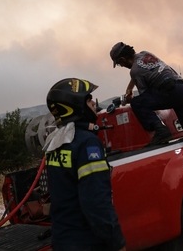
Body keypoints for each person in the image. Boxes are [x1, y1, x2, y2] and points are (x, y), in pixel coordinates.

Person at [110, 41, 183, 190]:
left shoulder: (135, 71)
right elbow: (142, 71)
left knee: (138, 103)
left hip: (170, 93)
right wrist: (130, 86)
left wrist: (130, 98)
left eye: (119, 64)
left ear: (123, 60)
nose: (121, 66)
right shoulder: (145, 54)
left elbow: (146, 95)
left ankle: (160, 131)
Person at [44, 78, 126, 250]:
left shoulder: (56, 143)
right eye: (88, 100)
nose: (93, 104)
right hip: (86, 241)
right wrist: (117, 242)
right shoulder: (86, 143)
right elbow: (96, 204)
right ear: (76, 105)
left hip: (63, 240)